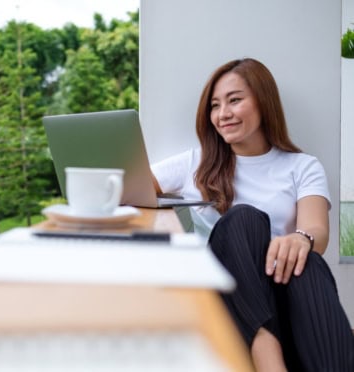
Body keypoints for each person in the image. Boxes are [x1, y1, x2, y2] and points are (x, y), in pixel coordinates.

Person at [151, 58, 354, 371]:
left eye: (234, 100)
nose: (223, 114)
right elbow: (130, 185)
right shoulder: (195, 163)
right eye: (215, 105)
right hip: (228, 306)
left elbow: (317, 229)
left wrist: (300, 239)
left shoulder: (302, 166)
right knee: (244, 219)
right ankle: (267, 356)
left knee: (308, 259)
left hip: (286, 303)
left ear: (264, 102)